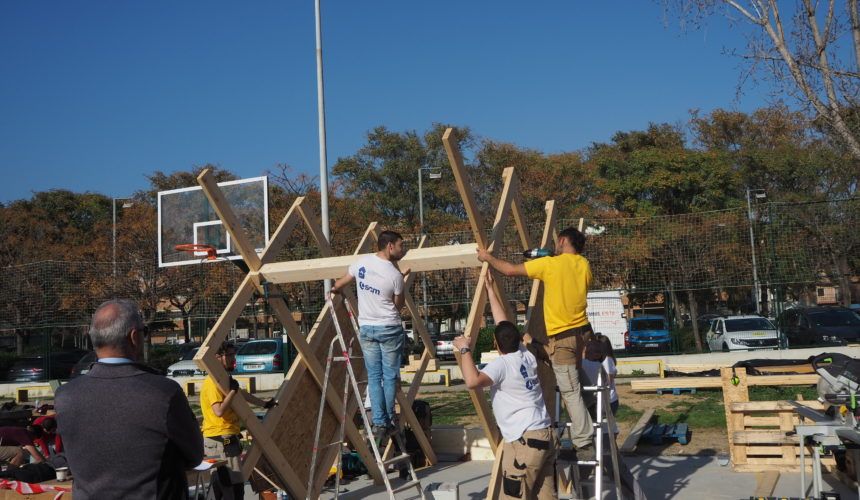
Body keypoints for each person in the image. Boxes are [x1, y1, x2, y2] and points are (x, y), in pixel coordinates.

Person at [55, 299, 203, 500]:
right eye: (145, 332)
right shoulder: (163, 392)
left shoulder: (65, 396)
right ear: (134, 337)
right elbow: (194, 455)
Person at [477, 227, 595, 456]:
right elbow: (568, 276)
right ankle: (590, 401)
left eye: (557, 243)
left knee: (569, 392)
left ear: (561, 240)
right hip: (583, 332)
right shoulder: (584, 265)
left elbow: (510, 270)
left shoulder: (549, 265)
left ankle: (584, 442)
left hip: (563, 336)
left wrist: (488, 258)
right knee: (572, 373)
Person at [454, 272, 556, 500]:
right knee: (546, 496)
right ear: (518, 340)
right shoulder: (525, 355)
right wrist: (490, 290)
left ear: (495, 345)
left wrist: (464, 349)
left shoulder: (501, 365)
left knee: (513, 495)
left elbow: (472, 381)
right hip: (543, 434)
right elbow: (504, 325)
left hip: (526, 441)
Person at [331, 230, 409, 439]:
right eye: (401, 245)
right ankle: (389, 419)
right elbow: (398, 306)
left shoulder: (361, 263)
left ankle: (379, 422)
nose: (403, 250)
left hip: (367, 328)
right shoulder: (395, 275)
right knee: (390, 376)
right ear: (390, 246)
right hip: (389, 328)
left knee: (374, 377)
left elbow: (341, 283)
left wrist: (334, 289)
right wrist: (402, 281)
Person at [201, 341, 275, 486]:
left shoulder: (223, 380)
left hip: (227, 437)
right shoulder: (212, 383)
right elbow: (219, 411)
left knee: (230, 485)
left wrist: (265, 404)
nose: (233, 358)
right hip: (220, 439)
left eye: (233, 354)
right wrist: (233, 392)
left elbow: (242, 395)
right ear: (217, 357)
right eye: (229, 355)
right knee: (231, 485)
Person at [581, 334, 619, 433]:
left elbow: (608, 381)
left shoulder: (606, 361)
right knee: (604, 428)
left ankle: (608, 444)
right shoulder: (596, 363)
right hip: (603, 400)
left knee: (606, 428)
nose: (586, 349)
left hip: (609, 400)